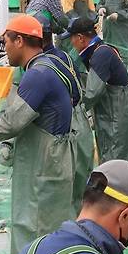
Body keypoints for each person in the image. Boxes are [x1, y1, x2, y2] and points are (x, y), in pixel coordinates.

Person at [0, 15, 75, 254]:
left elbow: (14, 121)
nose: (4, 48)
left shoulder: (37, 74)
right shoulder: (50, 63)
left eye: (5, 41)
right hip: (52, 157)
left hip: (45, 162)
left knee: (34, 226)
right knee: (46, 224)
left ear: (19, 41)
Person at [35, 13, 94, 214]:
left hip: (64, 128)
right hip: (81, 124)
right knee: (80, 182)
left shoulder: (39, 66)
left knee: (61, 189)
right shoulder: (66, 56)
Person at [61, 17, 128, 163]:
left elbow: (92, 93)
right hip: (111, 113)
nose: (71, 43)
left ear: (80, 38)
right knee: (109, 157)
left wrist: (72, 112)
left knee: (116, 161)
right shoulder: (97, 51)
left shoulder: (100, 55)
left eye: (71, 38)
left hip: (117, 115)